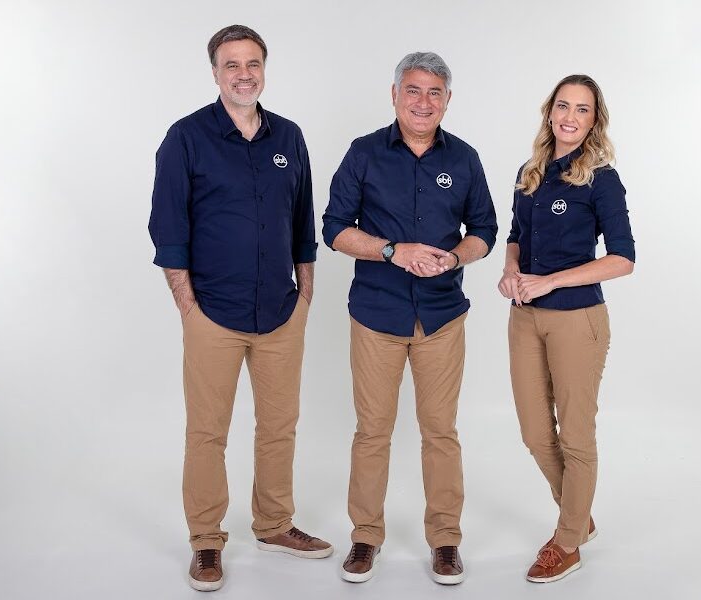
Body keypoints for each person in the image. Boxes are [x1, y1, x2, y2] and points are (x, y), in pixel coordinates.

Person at [148, 24, 331, 593]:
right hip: (212, 314)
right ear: (215, 72)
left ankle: (274, 525)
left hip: (280, 311)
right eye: (232, 64)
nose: (244, 74)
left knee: (279, 426)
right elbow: (168, 229)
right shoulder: (185, 138)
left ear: (263, 69)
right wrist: (188, 307)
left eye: (253, 63)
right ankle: (206, 540)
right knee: (208, 432)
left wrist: (304, 295)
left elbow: (302, 223)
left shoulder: (289, 137)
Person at [322, 51, 497, 585]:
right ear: (395, 94)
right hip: (376, 316)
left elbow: (485, 232)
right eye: (414, 90)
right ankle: (365, 536)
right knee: (372, 431)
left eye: (434, 92)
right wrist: (392, 251)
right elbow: (334, 228)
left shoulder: (464, 158)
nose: (423, 102)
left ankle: (445, 541)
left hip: (442, 318)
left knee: (440, 431)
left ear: (448, 100)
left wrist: (455, 258)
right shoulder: (364, 153)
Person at [497, 74, 635, 583]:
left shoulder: (601, 178)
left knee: (575, 434)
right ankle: (580, 515)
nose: (569, 117)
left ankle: (568, 540)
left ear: (594, 120)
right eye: (562, 105)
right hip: (525, 317)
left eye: (582, 109)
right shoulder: (529, 172)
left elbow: (623, 259)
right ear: (549, 111)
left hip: (577, 319)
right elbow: (516, 235)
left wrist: (550, 281)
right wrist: (511, 271)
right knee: (536, 433)